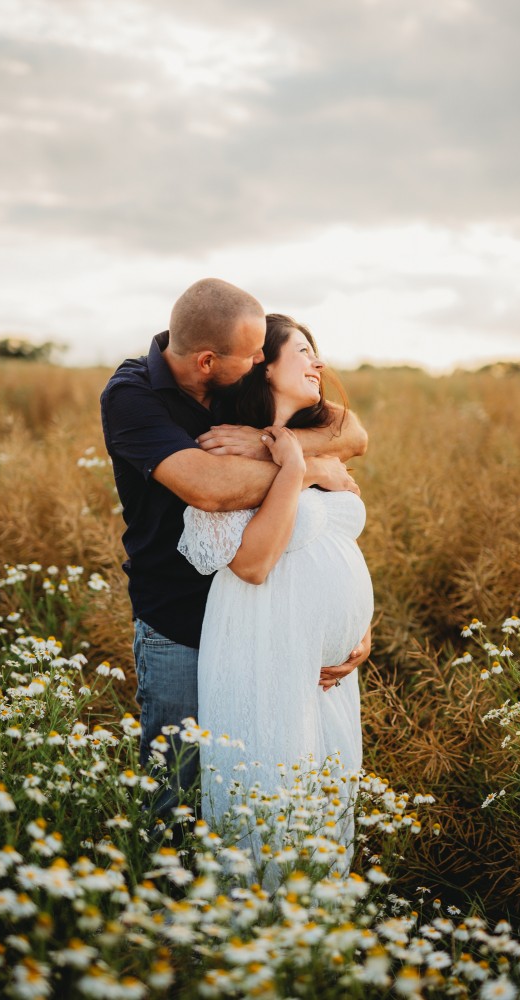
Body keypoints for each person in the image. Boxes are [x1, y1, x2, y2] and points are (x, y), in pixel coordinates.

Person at [100, 279, 368, 805]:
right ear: (206, 361)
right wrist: (306, 468)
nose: (255, 362)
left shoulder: (233, 379)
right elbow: (210, 489)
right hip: (181, 622)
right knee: (179, 788)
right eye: (250, 357)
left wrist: (271, 443)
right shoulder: (133, 395)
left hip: (274, 630)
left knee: (267, 779)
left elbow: (352, 432)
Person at [177, 313, 373, 876]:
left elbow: (334, 546)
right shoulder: (224, 453)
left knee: (326, 796)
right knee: (269, 792)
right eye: (304, 350)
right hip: (266, 643)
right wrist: (296, 470)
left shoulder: (324, 445)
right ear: (263, 365)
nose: (319, 363)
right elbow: (256, 564)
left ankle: (316, 932)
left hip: (332, 669)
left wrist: (361, 628)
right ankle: (260, 938)